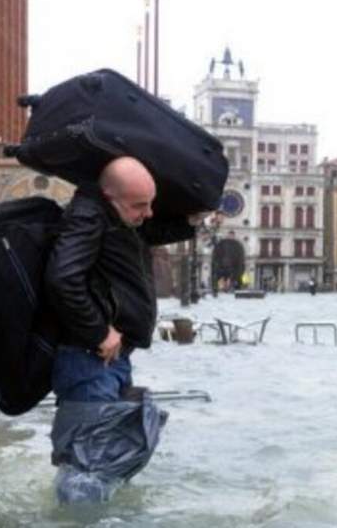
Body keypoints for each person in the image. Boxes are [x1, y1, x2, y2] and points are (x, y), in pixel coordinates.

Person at [44, 156, 199, 503]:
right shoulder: (87, 217)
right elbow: (63, 278)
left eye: (149, 203)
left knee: (98, 464)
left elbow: (150, 230)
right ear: (109, 196)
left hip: (106, 362)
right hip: (90, 360)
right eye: (139, 205)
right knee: (87, 471)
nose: (147, 212)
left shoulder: (111, 216)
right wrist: (99, 331)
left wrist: (190, 220)